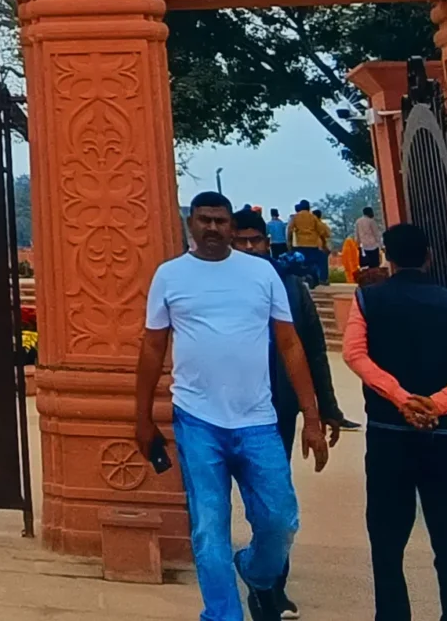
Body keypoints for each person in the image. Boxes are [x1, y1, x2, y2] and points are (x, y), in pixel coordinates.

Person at [137, 192, 331, 621]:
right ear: (191, 224)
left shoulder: (261, 274)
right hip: (197, 419)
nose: (212, 228)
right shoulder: (170, 276)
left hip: (258, 420)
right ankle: (222, 614)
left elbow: (290, 344)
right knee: (209, 530)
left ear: (230, 226)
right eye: (204, 220)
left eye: (220, 221)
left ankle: (256, 573)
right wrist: (143, 417)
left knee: (280, 520)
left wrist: (312, 417)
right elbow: (152, 348)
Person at [345, 224, 447, 621]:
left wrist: (400, 398)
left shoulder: (368, 300)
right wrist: (436, 404)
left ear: (387, 257)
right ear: (428, 256)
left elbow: (355, 355)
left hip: (388, 434)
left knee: (387, 541)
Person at [233, 208, 357, 620]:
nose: (250, 248)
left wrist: (324, 409)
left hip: (276, 409)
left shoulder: (290, 286)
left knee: (274, 503)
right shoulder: (218, 287)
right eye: (243, 241)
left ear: (270, 243)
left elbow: (313, 350)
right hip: (223, 410)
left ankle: (271, 584)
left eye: (256, 241)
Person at [288, 202, 333, 281]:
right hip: (312, 246)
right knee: (322, 259)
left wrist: (290, 244)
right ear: (308, 208)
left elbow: (290, 231)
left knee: (296, 262)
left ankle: (298, 279)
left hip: (300, 245)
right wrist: (324, 242)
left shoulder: (295, 217)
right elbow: (321, 231)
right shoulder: (313, 217)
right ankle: (323, 279)